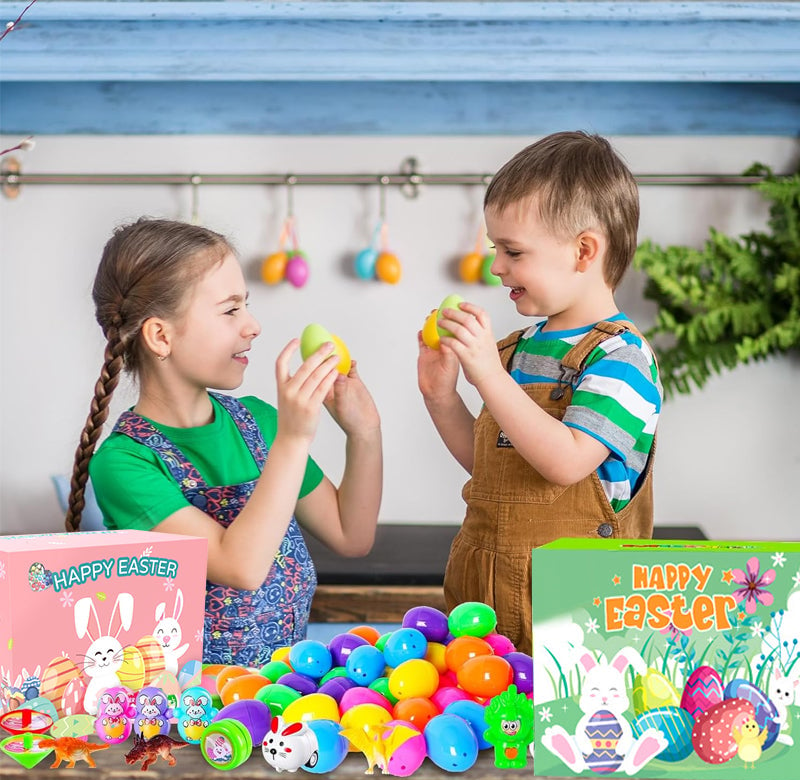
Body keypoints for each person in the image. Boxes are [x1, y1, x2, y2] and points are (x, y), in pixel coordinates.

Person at [66, 218, 382, 667]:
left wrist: (364, 432)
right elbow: (241, 568)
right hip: (195, 712)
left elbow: (352, 536)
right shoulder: (124, 463)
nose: (253, 326)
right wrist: (293, 439)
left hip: (285, 694)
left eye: (246, 306)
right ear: (161, 335)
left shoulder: (262, 422)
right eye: (231, 309)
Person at [418, 132, 662, 653]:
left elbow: (567, 462)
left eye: (513, 251)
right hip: (481, 597)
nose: (496, 266)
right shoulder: (515, 351)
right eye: (495, 249)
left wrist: (487, 377)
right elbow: (493, 465)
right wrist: (442, 397)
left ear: (583, 251)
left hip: (578, 614)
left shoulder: (622, 359)